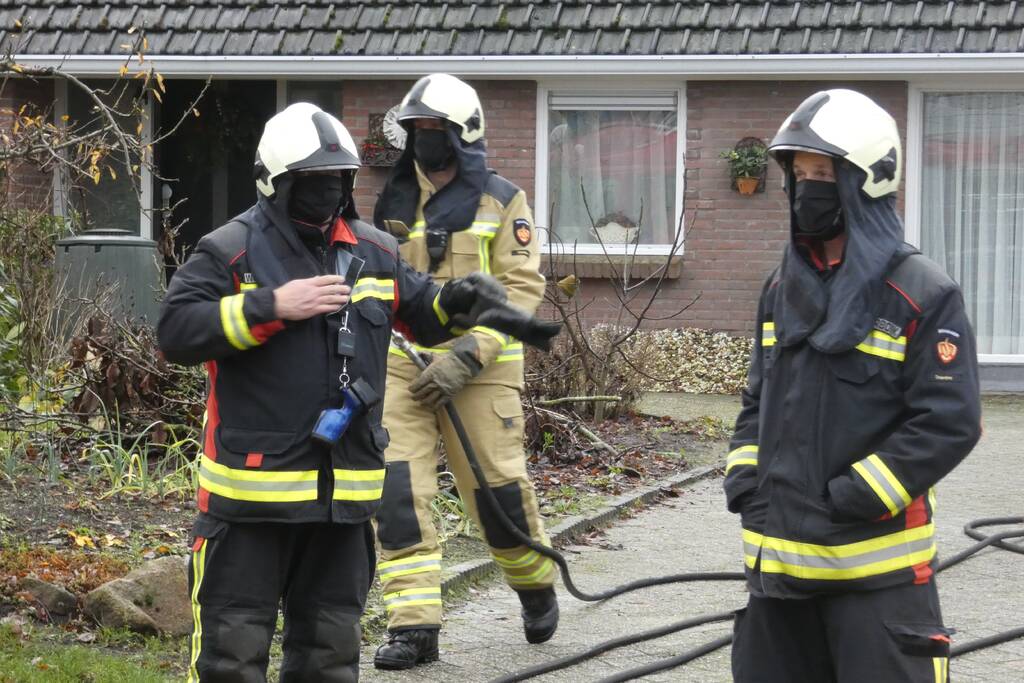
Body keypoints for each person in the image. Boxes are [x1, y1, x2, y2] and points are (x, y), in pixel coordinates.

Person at [158, 102, 533, 683]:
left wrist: (460, 298)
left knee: (330, 660)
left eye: (337, 179)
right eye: (311, 181)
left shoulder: (374, 252)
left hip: (344, 506)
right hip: (251, 505)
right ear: (275, 182)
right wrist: (272, 306)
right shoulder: (229, 250)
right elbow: (176, 332)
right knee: (231, 659)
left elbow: (426, 317)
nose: (326, 191)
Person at [724, 89, 982, 683]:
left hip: (878, 583)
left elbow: (949, 420)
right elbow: (757, 397)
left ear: (867, 182)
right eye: (801, 173)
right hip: (777, 576)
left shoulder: (922, 293)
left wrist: (856, 496)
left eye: (825, 174)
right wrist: (745, 475)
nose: (808, 188)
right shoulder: (780, 287)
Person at [371, 73, 558, 670]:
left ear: (464, 134)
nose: (426, 140)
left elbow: (523, 289)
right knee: (398, 492)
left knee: (497, 493)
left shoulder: (504, 200)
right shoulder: (392, 201)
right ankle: (414, 626)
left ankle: (534, 584)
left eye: (437, 130)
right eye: (418, 129)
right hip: (403, 365)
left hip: (483, 366)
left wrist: (468, 355)